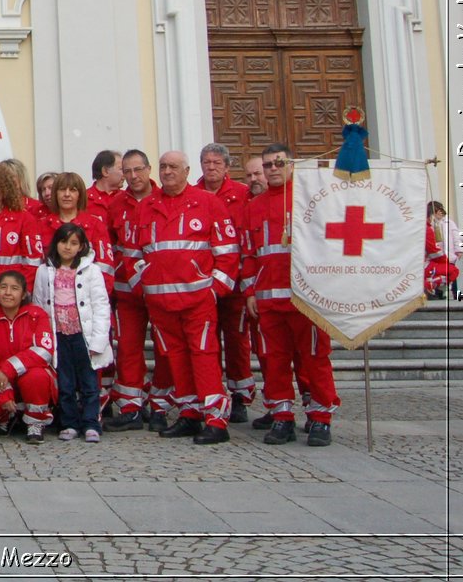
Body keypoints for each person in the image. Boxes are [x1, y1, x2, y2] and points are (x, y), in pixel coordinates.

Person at [132, 150, 238, 444]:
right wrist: (146, 286)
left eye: (173, 167)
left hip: (197, 301)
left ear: (187, 171)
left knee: (204, 358)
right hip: (161, 304)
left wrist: (214, 291)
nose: (167, 172)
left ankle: (216, 420)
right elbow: (133, 254)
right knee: (175, 359)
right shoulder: (147, 206)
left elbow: (228, 253)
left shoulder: (208, 203)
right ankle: (190, 414)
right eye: (163, 166)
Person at [244, 144, 339, 446]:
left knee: (315, 361)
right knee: (274, 362)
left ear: (291, 165)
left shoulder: (310, 201)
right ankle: (282, 416)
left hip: (305, 299)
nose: (272, 169)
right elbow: (249, 253)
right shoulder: (253, 207)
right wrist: (249, 291)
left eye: (278, 164)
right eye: (268, 164)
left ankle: (321, 418)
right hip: (269, 300)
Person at [102, 149, 172, 432]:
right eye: (127, 171)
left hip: (160, 290)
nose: (132, 176)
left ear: (149, 169)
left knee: (164, 350)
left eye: (138, 170)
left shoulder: (163, 201)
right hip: (127, 293)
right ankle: (131, 407)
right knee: (128, 349)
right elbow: (110, 245)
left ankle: (160, 405)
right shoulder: (117, 204)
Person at [33, 225, 111, 443]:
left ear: (81, 247)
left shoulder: (91, 271)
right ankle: (68, 422)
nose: (68, 247)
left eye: (74, 243)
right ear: (55, 244)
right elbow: (39, 305)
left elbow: (101, 305)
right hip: (58, 334)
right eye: (64, 242)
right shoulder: (44, 271)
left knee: (89, 382)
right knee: (65, 382)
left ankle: (91, 422)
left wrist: (99, 339)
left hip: (83, 334)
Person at [198, 143, 257, 423]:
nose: (211, 168)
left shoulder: (242, 195)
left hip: (233, 284)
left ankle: (239, 396)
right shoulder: (192, 194)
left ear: (227, 166)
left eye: (216, 163)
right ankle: (206, 395)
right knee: (205, 345)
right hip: (199, 285)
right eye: (206, 163)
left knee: (236, 341)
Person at [0, 270, 57, 444]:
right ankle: (4, 418)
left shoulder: (36, 315)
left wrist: (9, 368)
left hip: (25, 377)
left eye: (14, 288)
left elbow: (44, 351)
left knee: (37, 376)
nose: (8, 293)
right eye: (3, 287)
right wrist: (3, 393)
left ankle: (35, 422)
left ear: (24, 294)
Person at [0, 161, 46, 293]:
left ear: (6, 187)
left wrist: (21, 293)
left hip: (11, 297)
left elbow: (33, 264)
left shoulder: (24, 219)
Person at [426, 201, 462, 300]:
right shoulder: (430, 224)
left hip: (448, 252)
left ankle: (455, 293)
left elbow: (456, 237)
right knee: (437, 274)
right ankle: (438, 292)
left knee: (451, 272)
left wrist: (458, 249)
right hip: (436, 254)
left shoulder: (449, 222)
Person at [85, 150, 123, 221]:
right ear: (105, 171)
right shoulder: (83, 200)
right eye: (121, 169)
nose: (125, 174)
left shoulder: (126, 199)